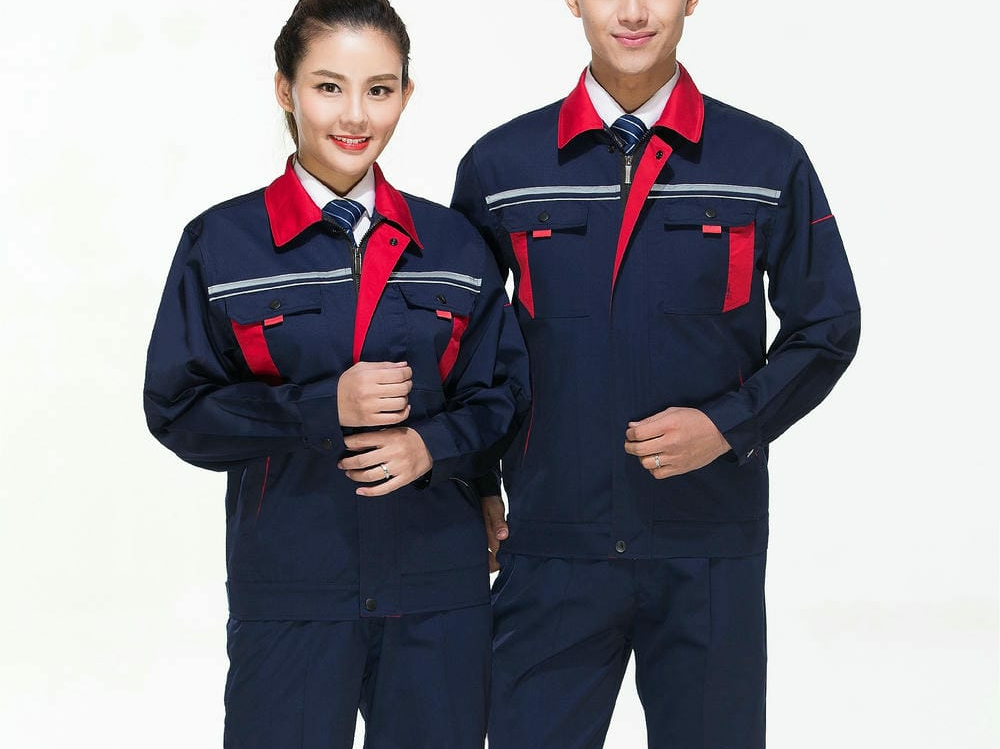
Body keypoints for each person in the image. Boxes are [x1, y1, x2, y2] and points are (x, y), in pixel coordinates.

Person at [451, 1, 860, 747]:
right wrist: (475, 484)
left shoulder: (766, 161)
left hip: (708, 546)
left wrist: (728, 425)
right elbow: (466, 348)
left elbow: (828, 325)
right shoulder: (501, 167)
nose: (635, 12)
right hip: (550, 544)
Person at [143, 1, 529, 747]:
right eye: (329, 87)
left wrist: (430, 447)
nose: (355, 115)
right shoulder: (223, 244)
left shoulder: (453, 243)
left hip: (437, 591)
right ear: (284, 89)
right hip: (292, 591)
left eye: (379, 90)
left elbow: (504, 395)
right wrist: (325, 405)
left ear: (406, 95)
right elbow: (178, 407)